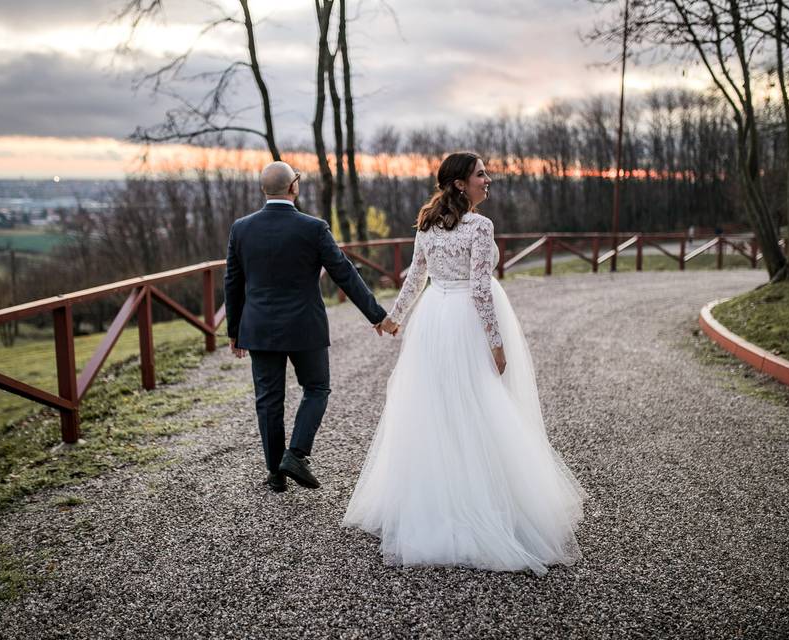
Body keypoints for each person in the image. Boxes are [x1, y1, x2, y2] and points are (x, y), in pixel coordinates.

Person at [342, 152, 587, 575]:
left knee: (438, 408)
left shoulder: (427, 224)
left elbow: (416, 278)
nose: (487, 180)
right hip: (464, 322)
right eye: (480, 175)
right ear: (459, 184)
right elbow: (478, 290)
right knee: (479, 403)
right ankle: (484, 504)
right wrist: (495, 342)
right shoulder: (480, 226)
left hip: (433, 318)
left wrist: (396, 318)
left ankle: (438, 500)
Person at [224, 161, 398, 493]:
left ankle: (276, 473)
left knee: (268, 400)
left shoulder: (241, 229)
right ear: (294, 186)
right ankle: (296, 454)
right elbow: (345, 274)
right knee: (316, 389)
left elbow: (232, 283)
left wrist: (235, 331)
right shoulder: (313, 228)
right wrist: (377, 315)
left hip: (259, 329)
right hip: (305, 326)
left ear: (265, 189)